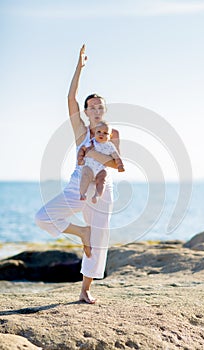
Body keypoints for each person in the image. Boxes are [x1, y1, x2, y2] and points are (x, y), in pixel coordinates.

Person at [35, 44, 121, 304]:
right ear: (86, 111)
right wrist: (79, 67)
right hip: (77, 186)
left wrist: (96, 156)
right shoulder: (80, 131)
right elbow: (70, 98)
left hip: (102, 190)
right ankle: (80, 233)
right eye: (92, 107)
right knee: (43, 218)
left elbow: (117, 164)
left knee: (100, 239)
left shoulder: (112, 133)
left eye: (99, 107)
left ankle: (85, 290)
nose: (96, 110)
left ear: (104, 110)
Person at [78, 120, 125, 203]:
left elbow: (116, 157)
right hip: (89, 167)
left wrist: (120, 165)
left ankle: (97, 195)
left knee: (102, 180)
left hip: (101, 169)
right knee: (85, 176)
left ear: (110, 136)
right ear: (95, 133)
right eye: (99, 132)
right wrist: (80, 158)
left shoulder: (110, 146)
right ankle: (82, 193)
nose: (101, 134)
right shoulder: (92, 142)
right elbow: (83, 149)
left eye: (105, 133)